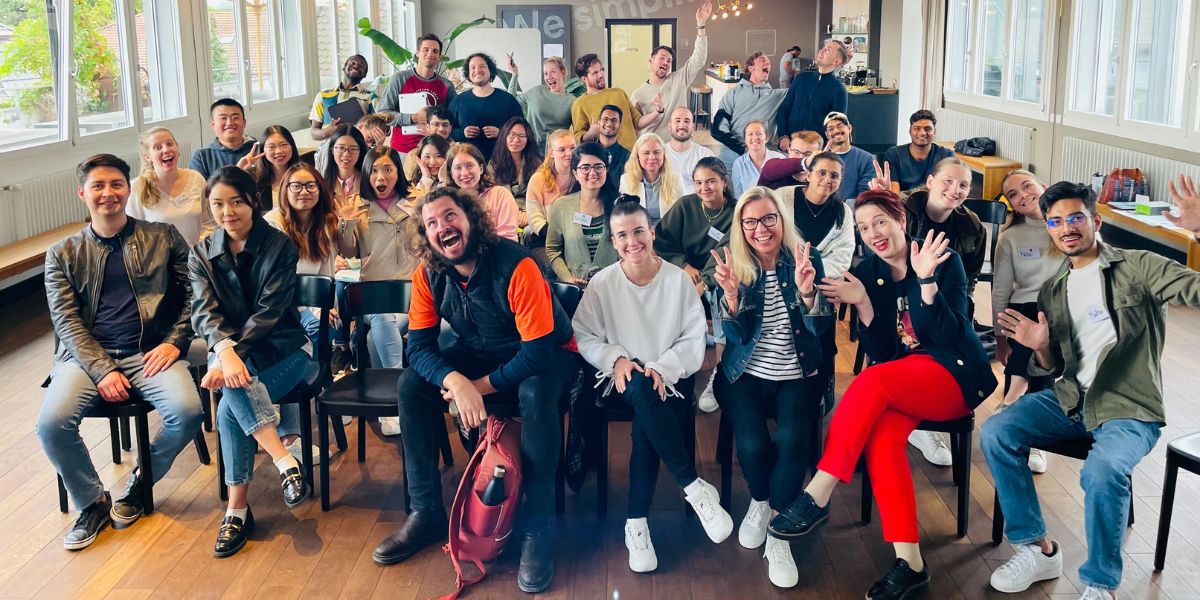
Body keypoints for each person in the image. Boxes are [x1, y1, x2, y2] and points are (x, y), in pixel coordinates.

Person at [768, 189, 996, 600]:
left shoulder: (941, 259)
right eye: (863, 227)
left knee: (871, 381)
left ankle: (818, 492)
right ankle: (911, 564)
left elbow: (949, 336)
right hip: (905, 380)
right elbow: (887, 353)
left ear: (901, 221)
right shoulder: (869, 271)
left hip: (955, 375)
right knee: (883, 440)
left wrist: (925, 282)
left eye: (880, 222)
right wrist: (865, 306)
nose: (873, 233)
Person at [983, 178, 1200, 600]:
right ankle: (1038, 549)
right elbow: (1056, 366)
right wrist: (1041, 348)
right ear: (1049, 229)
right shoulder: (1054, 290)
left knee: (1102, 470)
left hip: (1128, 407)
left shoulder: (1139, 266)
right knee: (996, 431)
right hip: (1070, 400)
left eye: (1076, 218)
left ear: (1095, 221)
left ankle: (1100, 585)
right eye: (1056, 221)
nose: (1066, 228)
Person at [372, 187, 576, 596]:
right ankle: (426, 512)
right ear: (426, 235)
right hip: (480, 351)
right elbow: (419, 348)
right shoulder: (428, 273)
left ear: (471, 218)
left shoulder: (517, 264)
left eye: (450, 216)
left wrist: (477, 388)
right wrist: (455, 381)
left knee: (535, 395)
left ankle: (537, 528)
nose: (442, 227)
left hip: (548, 355)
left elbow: (537, 353)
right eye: (431, 223)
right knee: (411, 384)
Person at [39, 154, 203, 551]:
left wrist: (175, 341)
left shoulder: (163, 236)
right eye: (98, 186)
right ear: (82, 193)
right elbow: (66, 321)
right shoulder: (62, 252)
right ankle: (92, 502)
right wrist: (102, 369)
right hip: (86, 359)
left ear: (128, 190)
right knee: (51, 423)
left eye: (116, 184)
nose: (108, 193)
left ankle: (141, 483)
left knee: (187, 412)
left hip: (150, 352)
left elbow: (195, 295)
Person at [573, 198, 732, 574]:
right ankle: (693, 487)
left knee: (647, 408)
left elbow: (693, 339)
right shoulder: (603, 283)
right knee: (640, 387)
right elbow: (584, 335)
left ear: (652, 232)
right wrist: (616, 358)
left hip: (669, 376)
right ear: (614, 240)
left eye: (638, 231)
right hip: (617, 376)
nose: (632, 242)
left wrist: (662, 367)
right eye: (622, 235)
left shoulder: (677, 281)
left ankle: (636, 522)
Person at [707, 186, 832, 588]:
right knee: (754, 443)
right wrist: (730, 297)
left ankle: (779, 530)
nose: (760, 229)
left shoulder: (807, 259)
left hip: (799, 373)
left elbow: (822, 332)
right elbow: (737, 337)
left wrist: (808, 291)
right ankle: (761, 500)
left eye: (768, 219)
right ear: (740, 228)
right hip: (745, 373)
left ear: (781, 220)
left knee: (793, 440)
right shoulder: (734, 266)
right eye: (750, 222)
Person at [190, 166, 313, 558]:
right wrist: (225, 354)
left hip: (286, 351)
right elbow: (204, 313)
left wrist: (226, 358)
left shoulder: (280, 246)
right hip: (234, 358)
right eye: (218, 204)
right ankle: (284, 461)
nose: (228, 212)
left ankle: (237, 511)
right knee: (232, 401)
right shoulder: (202, 252)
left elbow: (269, 313)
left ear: (253, 202)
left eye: (236, 202)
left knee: (230, 399)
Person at [654, 157, 737, 412]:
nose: (704, 188)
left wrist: (705, 283)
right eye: (698, 182)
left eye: (711, 181)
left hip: (718, 274)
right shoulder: (686, 205)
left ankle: (720, 375)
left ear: (724, 182)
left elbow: (728, 252)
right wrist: (684, 266)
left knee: (722, 295)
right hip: (683, 271)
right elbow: (663, 241)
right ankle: (668, 368)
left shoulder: (736, 212)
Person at [991, 170, 1058, 477]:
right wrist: (1000, 338)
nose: (1023, 195)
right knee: (1032, 321)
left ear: (1043, 186)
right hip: (1025, 310)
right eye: (1013, 194)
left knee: (1045, 319)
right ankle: (1033, 437)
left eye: (1027, 186)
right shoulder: (1011, 237)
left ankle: (1013, 396)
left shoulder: (1067, 223)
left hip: (1064, 308)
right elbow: (1001, 291)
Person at [355, 146, 419, 436]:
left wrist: (417, 212)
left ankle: (386, 406)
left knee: (375, 336)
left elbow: (425, 246)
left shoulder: (414, 202)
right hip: (373, 292)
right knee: (381, 317)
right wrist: (346, 222)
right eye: (374, 170)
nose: (381, 177)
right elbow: (349, 250)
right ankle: (397, 390)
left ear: (398, 172)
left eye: (388, 169)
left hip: (409, 292)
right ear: (366, 174)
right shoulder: (358, 207)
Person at [630, 1, 713, 139]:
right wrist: (657, 111)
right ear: (651, 61)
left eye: (669, 61)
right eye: (662, 58)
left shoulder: (678, 80)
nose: (666, 62)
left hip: (677, 143)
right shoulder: (638, 95)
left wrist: (701, 25)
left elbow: (699, 59)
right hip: (652, 146)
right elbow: (636, 124)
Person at [546, 142, 621, 285]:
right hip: (575, 290)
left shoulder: (620, 205)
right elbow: (552, 250)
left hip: (613, 286)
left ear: (606, 170)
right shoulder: (562, 206)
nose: (592, 173)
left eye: (598, 167)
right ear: (575, 173)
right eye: (585, 167)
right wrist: (568, 278)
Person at [127, 127, 213, 246]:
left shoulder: (196, 179)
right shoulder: (136, 188)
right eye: (158, 147)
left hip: (198, 254)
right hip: (160, 257)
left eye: (169, 144)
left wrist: (200, 250)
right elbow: (133, 236)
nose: (166, 150)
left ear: (177, 148)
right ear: (147, 156)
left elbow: (209, 222)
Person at [378, 33, 457, 154]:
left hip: (436, 151)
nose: (430, 54)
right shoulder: (399, 79)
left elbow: (453, 119)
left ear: (439, 57)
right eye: (426, 50)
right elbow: (382, 113)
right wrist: (412, 118)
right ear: (417, 53)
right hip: (402, 149)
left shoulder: (447, 85)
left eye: (435, 51)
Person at [570, 53, 663, 150]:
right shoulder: (580, 103)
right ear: (584, 79)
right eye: (595, 73)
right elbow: (577, 137)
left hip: (631, 154)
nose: (601, 75)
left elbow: (638, 122)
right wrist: (589, 134)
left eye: (601, 70)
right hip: (603, 156)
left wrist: (658, 111)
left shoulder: (618, 93)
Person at [713, 51, 787, 165]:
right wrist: (742, 149)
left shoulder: (777, 96)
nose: (768, 64)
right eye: (763, 60)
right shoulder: (733, 93)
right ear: (751, 67)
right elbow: (717, 128)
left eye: (769, 63)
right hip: (733, 152)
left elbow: (801, 88)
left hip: (761, 155)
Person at [448, 53, 524, 159]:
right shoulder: (458, 101)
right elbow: (448, 129)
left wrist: (501, 133)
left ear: (490, 71)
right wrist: (462, 133)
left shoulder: (507, 99)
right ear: (468, 74)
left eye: (482, 66)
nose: (477, 70)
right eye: (473, 67)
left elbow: (522, 129)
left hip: (502, 161)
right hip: (468, 161)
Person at [776, 39, 849, 147]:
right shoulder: (801, 78)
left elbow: (837, 127)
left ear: (836, 62)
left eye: (828, 49)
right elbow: (784, 109)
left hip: (817, 149)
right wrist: (783, 136)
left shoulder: (839, 90)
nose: (821, 50)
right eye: (823, 48)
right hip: (791, 146)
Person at [443, 142, 521, 241]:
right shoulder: (447, 202)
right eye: (458, 168)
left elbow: (507, 238)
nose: (465, 173)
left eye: (469, 166)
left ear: (481, 168)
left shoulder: (500, 195)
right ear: (451, 174)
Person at [504, 55, 576, 152]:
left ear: (563, 73)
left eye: (553, 72)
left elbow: (577, 131)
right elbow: (511, 101)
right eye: (546, 73)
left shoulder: (572, 101)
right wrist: (514, 74)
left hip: (555, 153)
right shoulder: (536, 91)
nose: (549, 77)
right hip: (529, 150)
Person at [525, 129, 577, 259]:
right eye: (562, 150)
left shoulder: (581, 176)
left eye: (572, 148)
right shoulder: (538, 179)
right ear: (551, 153)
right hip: (544, 240)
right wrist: (559, 236)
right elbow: (534, 219)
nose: (569, 153)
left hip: (577, 240)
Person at [881, 110, 955, 193]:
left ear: (934, 132)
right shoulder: (894, 154)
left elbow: (948, 189)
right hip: (902, 200)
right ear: (910, 131)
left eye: (927, 129)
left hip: (935, 199)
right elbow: (894, 193)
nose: (922, 133)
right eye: (917, 129)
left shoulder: (946, 156)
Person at [308, 54, 376, 142]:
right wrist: (326, 132)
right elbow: (314, 133)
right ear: (344, 68)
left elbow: (380, 127)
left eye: (361, 66)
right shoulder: (323, 96)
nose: (356, 66)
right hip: (330, 147)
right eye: (353, 63)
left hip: (358, 147)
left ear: (365, 74)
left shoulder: (370, 97)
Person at [620, 133, 682, 228]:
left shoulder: (676, 179)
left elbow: (684, 213)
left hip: (669, 232)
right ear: (638, 156)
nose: (652, 157)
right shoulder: (626, 180)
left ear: (663, 154)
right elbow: (624, 216)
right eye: (646, 153)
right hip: (638, 232)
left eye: (657, 152)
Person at [189, 98, 257, 180]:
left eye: (235, 117)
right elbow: (201, 188)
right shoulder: (202, 158)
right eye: (223, 118)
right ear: (213, 124)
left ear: (244, 122)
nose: (229, 123)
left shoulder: (259, 150)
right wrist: (238, 171)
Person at [489, 116, 543, 212]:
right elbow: (491, 194)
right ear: (504, 136)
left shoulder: (537, 163)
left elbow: (540, 193)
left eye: (521, 136)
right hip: (503, 211)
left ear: (528, 139)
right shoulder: (494, 164)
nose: (516, 140)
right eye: (512, 135)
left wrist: (526, 212)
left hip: (530, 211)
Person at [246, 125, 302, 211]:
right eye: (271, 147)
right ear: (263, 150)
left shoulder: (305, 175)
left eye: (283, 145)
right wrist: (240, 168)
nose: (278, 151)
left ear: (292, 146)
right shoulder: (255, 180)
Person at [822, 112, 873, 203]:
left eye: (840, 126)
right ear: (827, 134)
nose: (836, 131)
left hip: (853, 208)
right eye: (831, 129)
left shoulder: (866, 158)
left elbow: (865, 193)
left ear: (849, 128)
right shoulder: (820, 158)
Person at [664, 107, 714, 195]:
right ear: (669, 126)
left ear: (693, 126)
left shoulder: (705, 154)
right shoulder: (660, 154)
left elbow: (713, 186)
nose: (682, 125)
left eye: (687, 121)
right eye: (677, 121)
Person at [319, 124, 368, 214]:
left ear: (360, 152)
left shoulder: (369, 182)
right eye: (341, 148)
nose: (346, 154)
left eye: (353, 149)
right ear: (332, 150)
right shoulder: (322, 185)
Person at [732, 121, 786, 198]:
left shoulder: (780, 159)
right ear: (745, 140)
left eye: (759, 133)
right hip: (749, 205)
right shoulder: (738, 164)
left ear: (766, 138)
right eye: (750, 134)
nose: (755, 137)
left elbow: (785, 191)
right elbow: (738, 197)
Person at [757, 130, 824, 189]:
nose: (801, 157)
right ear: (789, 151)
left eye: (808, 155)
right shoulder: (773, 168)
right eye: (796, 152)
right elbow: (769, 168)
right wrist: (805, 163)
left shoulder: (820, 183)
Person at [401, 105, 453, 182]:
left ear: (450, 128)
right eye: (436, 124)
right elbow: (409, 185)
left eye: (445, 125)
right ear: (427, 126)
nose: (441, 129)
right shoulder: (413, 155)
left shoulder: (458, 152)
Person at [594, 104, 631, 183]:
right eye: (605, 119)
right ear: (598, 122)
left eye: (614, 120)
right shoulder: (587, 152)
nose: (609, 124)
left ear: (620, 126)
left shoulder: (627, 156)